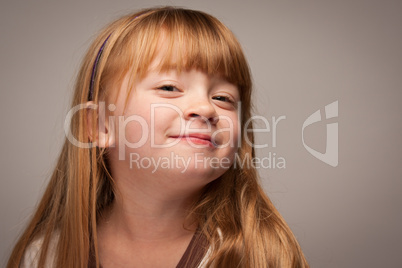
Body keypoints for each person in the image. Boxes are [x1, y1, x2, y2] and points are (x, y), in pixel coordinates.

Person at [7, 6, 309, 268]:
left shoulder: (257, 256)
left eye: (223, 97)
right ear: (99, 125)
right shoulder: (47, 256)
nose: (206, 107)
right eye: (169, 88)